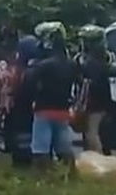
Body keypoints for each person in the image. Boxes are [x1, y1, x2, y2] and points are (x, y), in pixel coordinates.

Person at [23, 21, 78, 173]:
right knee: (64, 149)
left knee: (41, 149)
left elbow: (30, 85)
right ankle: (71, 178)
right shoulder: (72, 64)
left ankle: (43, 180)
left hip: (44, 110)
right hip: (63, 111)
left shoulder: (43, 65)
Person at [76, 24, 116, 155]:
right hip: (96, 102)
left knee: (92, 134)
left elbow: (89, 80)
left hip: (95, 103)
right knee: (91, 134)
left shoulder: (95, 61)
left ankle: (99, 161)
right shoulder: (102, 58)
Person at [6, 35, 41, 169]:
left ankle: (22, 161)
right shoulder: (38, 66)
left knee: (22, 136)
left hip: (22, 108)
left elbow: (15, 88)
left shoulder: (21, 69)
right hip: (35, 108)